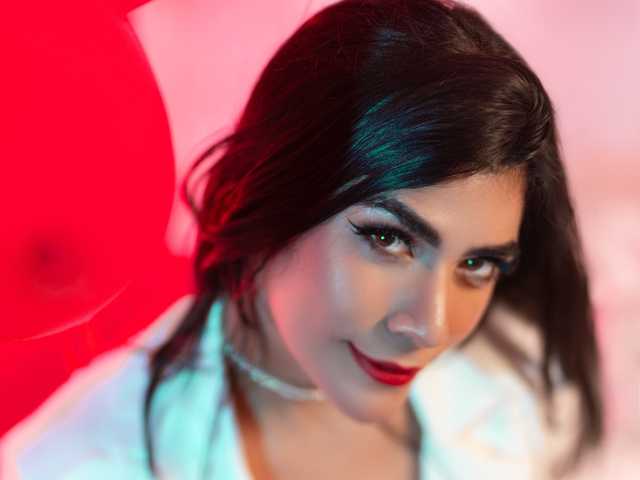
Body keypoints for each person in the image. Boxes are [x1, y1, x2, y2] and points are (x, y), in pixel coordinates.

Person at [1, 0, 603, 478]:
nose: (431, 326)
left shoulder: (515, 390)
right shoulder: (78, 462)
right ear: (274, 194)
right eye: (388, 239)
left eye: (476, 264)